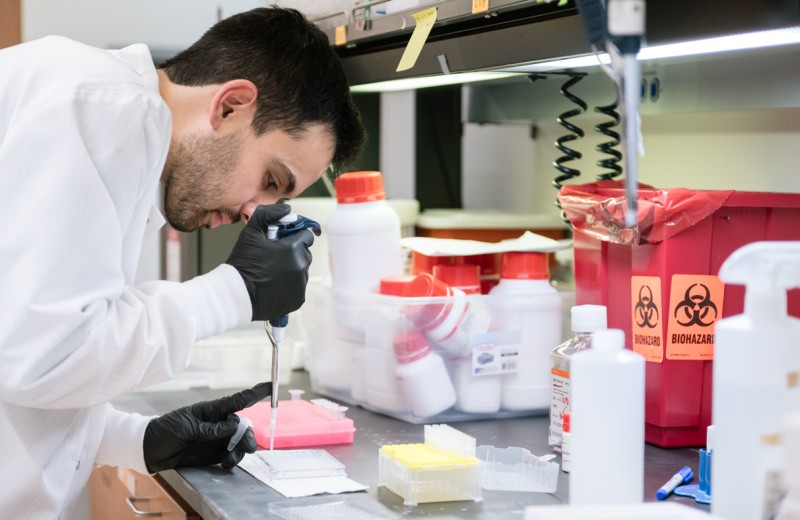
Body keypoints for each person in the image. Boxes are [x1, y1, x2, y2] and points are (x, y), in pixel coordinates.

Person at [0, 6, 364, 519]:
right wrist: (236, 290)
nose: (251, 212)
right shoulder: (104, 106)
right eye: (272, 179)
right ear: (231, 106)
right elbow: (43, 355)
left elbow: (24, 359)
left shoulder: (115, 126)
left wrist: (135, 439)